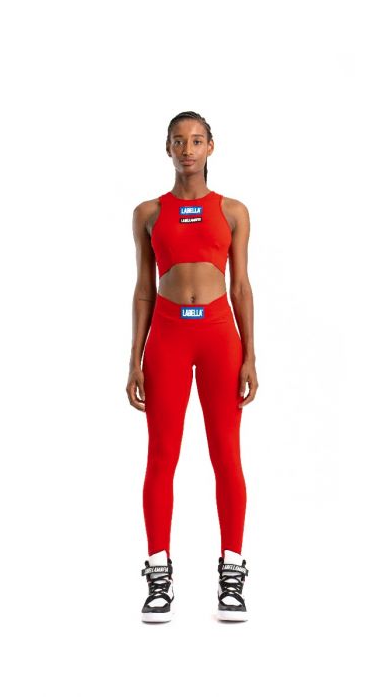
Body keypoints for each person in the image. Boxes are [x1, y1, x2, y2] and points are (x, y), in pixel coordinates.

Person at [127, 111, 258, 623]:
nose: (188, 149)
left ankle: (232, 574)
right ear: (167, 148)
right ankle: (158, 575)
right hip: (168, 338)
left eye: (197, 140)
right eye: (179, 141)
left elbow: (240, 285)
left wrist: (250, 353)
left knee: (226, 455)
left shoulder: (232, 211)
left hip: (218, 337)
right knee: (162, 456)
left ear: (210, 147)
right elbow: (143, 289)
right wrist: (134, 358)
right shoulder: (148, 213)